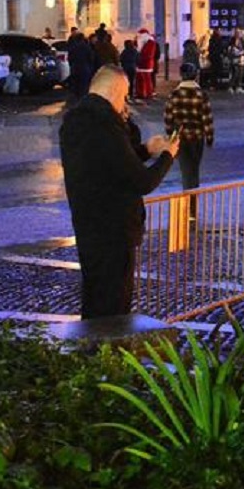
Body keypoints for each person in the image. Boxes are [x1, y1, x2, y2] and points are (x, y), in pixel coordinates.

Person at [59, 67, 179, 319]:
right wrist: (168, 155)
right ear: (114, 90)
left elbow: (112, 165)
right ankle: (106, 355)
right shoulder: (105, 126)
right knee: (113, 307)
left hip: (88, 225)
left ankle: (93, 352)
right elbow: (143, 181)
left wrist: (146, 149)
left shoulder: (74, 121)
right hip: (114, 230)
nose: (124, 103)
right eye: (123, 95)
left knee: (94, 299)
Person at [163, 62, 214, 216]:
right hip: (197, 138)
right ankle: (192, 207)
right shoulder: (201, 95)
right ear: (195, 75)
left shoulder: (174, 94)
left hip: (181, 139)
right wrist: (209, 137)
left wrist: (170, 135)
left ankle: (189, 208)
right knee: (194, 171)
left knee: (186, 172)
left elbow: (168, 118)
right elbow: (207, 118)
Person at [66, 31, 95, 101]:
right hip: (85, 68)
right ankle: (82, 100)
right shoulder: (87, 47)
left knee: (76, 85)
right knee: (84, 86)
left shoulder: (73, 47)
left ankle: (76, 98)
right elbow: (91, 58)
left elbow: (70, 58)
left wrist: (71, 66)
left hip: (75, 68)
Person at [136, 29, 158, 101]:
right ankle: (141, 93)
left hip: (146, 63)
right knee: (140, 79)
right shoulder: (141, 41)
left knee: (146, 79)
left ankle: (147, 93)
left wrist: (139, 56)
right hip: (140, 63)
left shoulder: (150, 42)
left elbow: (149, 54)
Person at [120, 38, 140, 102]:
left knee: (126, 82)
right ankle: (131, 94)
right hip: (133, 67)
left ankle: (126, 94)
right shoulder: (135, 51)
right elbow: (138, 60)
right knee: (132, 81)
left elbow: (121, 59)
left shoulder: (124, 51)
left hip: (125, 68)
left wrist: (123, 65)